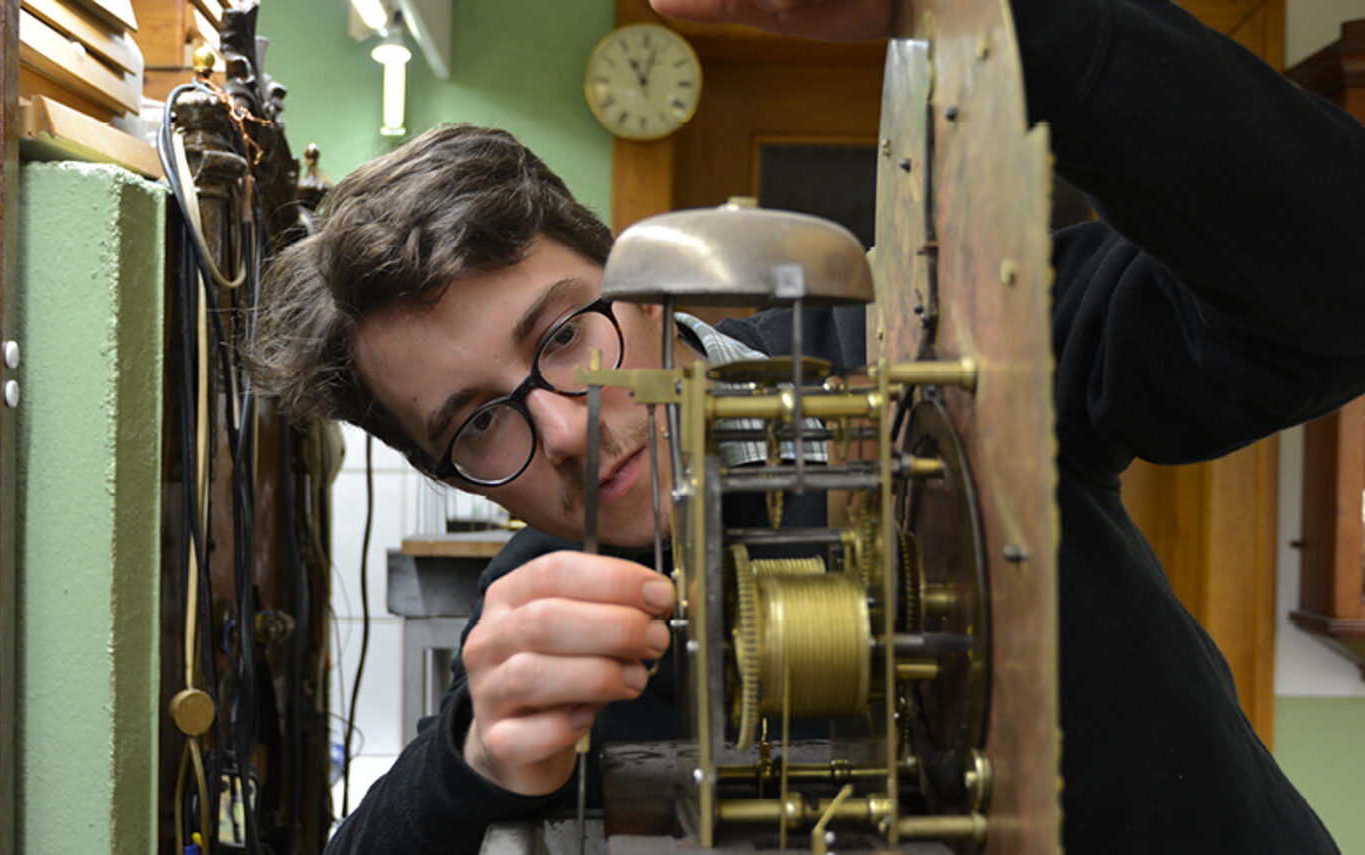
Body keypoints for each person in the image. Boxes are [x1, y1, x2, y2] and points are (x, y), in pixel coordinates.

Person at [250, 0, 1365, 851]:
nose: (568, 428)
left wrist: (999, 18)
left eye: (562, 334)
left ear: (639, 281)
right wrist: (466, 760)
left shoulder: (943, 343)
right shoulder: (548, 627)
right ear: (455, 474)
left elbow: (1332, 282)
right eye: (478, 422)